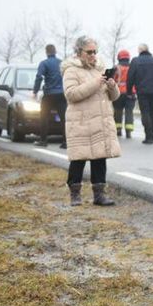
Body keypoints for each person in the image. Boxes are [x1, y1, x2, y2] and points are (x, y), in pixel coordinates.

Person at [62, 36, 121, 206]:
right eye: (89, 52)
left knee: (100, 159)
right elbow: (71, 94)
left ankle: (99, 195)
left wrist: (111, 85)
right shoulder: (71, 71)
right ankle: (75, 195)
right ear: (79, 52)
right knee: (78, 160)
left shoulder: (99, 70)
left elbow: (114, 97)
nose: (93, 55)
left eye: (95, 51)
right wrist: (96, 83)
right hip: (80, 122)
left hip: (100, 123)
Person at [126, 43, 153, 144]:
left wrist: (129, 91)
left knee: (145, 113)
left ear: (140, 50)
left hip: (141, 92)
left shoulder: (135, 61)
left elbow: (130, 77)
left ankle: (148, 136)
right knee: (152, 112)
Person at [33, 44, 66, 148]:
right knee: (64, 119)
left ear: (46, 52)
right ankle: (66, 142)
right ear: (55, 52)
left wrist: (35, 91)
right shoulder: (62, 63)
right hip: (61, 94)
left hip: (49, 95)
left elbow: (39, 77)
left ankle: (43, 140)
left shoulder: (44, 63)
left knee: (44, 117)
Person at [112, 49, 135, 139]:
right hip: (131, 93)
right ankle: (128, 132)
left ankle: (118, 130)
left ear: (119, 57)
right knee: (129, 112)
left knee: (118, 111)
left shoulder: (115, 68)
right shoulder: (133, 67)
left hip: (119, 93)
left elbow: (109, 79)